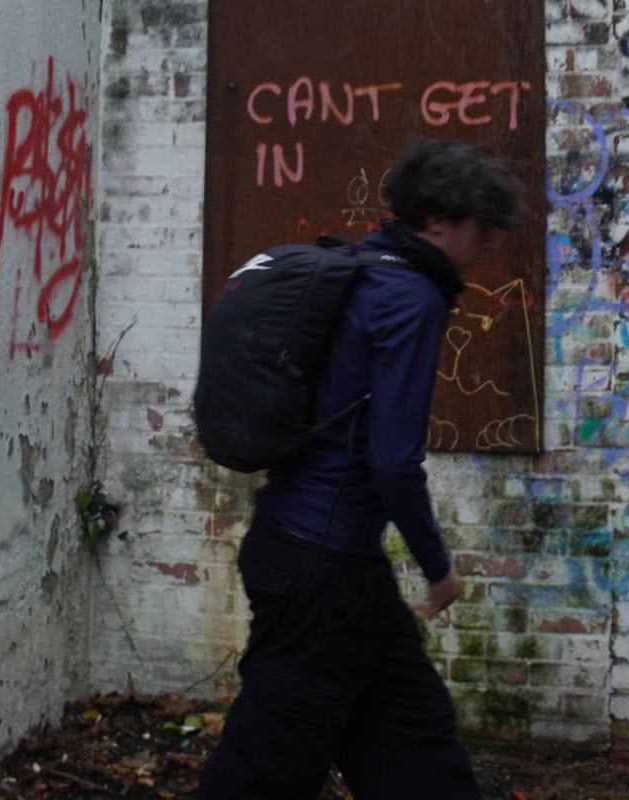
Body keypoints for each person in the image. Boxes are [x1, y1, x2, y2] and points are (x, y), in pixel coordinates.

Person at [195, 139, 519, 800]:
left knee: (413, 746)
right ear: (437, 222)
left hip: (315, 555)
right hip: (324, 570)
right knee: (266, 771)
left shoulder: (364, 266)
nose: (485, 243)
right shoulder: (413, 296)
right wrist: (439, 567)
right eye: (478, 227)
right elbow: (394, 461)